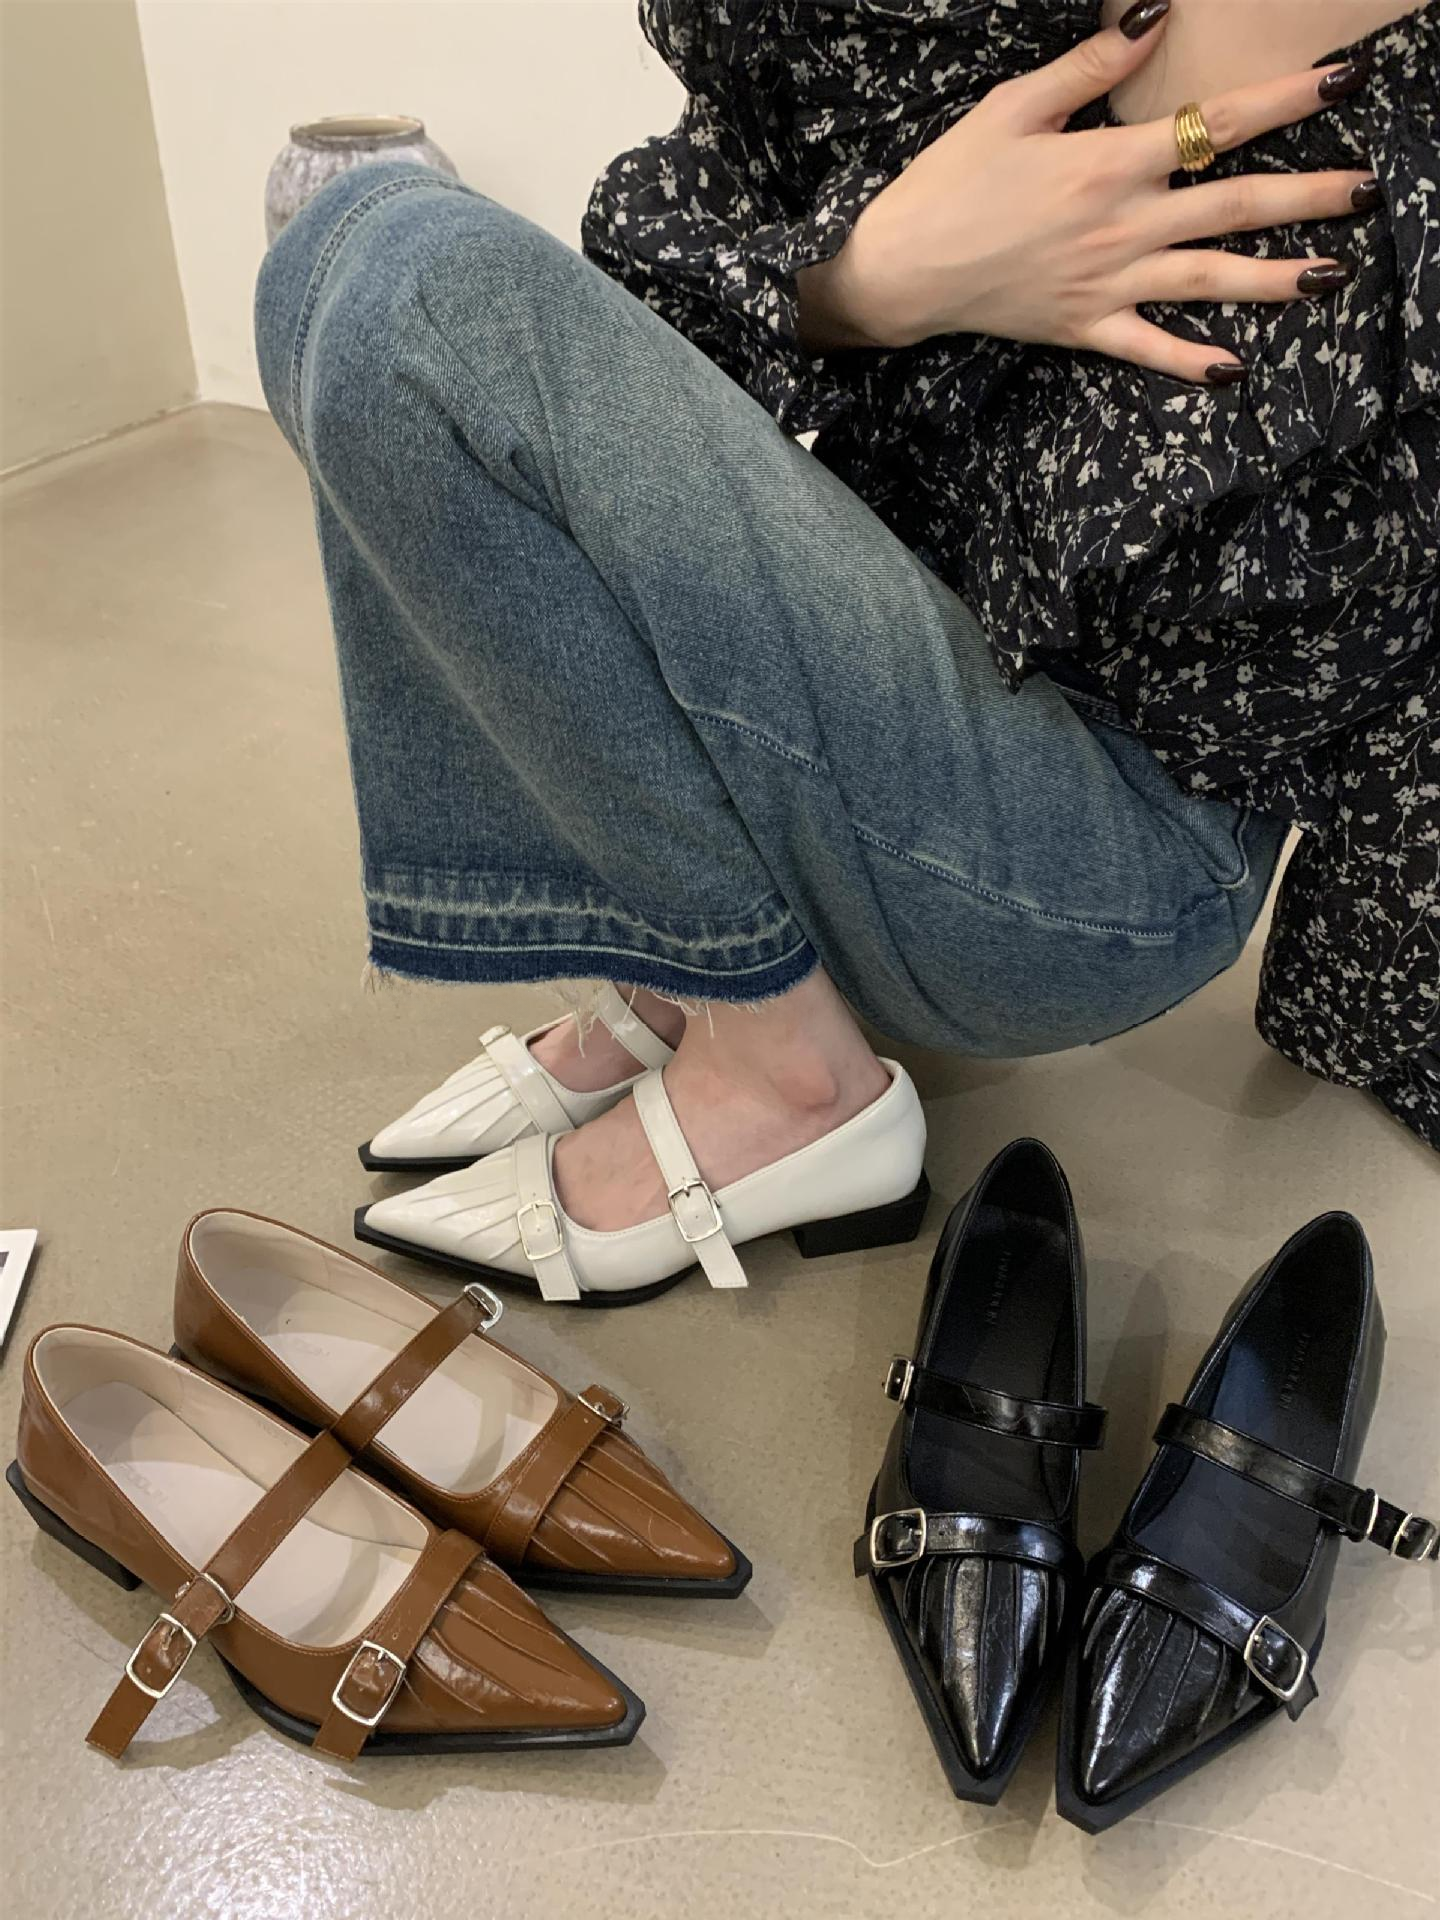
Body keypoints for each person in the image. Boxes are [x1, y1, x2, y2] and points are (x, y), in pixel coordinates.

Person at [254, 0, 1438, 1301]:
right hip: (878, 690)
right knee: (336, 249)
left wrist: (1365, 998)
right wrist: (869, 281)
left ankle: (789, 1077)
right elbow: (652, 346)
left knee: (413, 281)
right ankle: (694, 963)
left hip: (1094, 861)